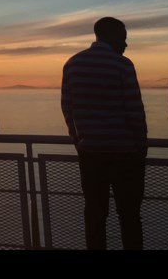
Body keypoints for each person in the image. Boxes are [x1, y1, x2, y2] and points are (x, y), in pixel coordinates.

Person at [61, 16, 148, 250]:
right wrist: (142, 144)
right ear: (112, 36)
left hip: (90, 152)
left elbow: (67, 106)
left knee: (95, 214)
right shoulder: (123, 64)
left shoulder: (72, 64)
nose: (125, 45)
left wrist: (77, 138)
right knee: (129, 215)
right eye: (123, 39)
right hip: (125, 153)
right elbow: (134, 108)